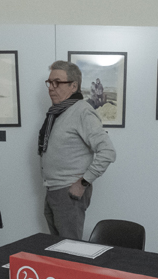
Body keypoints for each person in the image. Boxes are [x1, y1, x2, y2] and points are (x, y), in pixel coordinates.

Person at [39, 61, 116, 240]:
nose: (51, 87)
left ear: (74, 86)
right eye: (49, 82)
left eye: (57, 82)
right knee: (58, 249)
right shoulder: (58, 112)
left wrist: (82, 183)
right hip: (53, 189)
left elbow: (108, 152)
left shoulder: (82, 112)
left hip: (68, 193)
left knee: (69, 252)